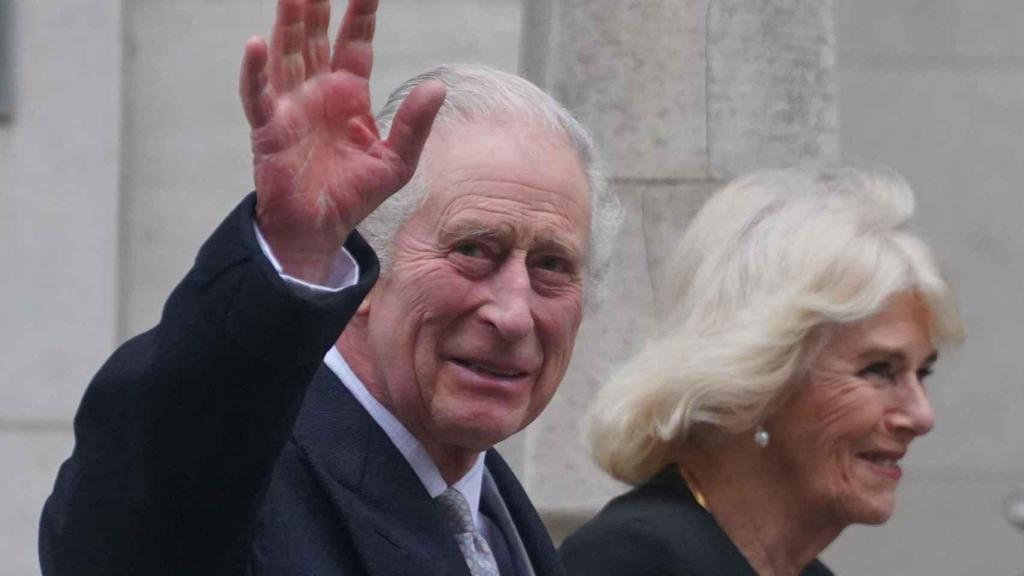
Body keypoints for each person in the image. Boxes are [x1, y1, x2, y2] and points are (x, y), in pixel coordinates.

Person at [39, 0, 619, 574]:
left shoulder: (498, 517)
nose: (514, 314)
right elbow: (138, 518)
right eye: (471, 251)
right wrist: (295, 256)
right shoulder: (246, 485)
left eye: (551, 266)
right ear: (367, 261)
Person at [560, 166, 964, 575]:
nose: (921, 416)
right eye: (879, 371)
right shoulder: (632, 561)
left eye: (922, 373)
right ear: (757, 378)